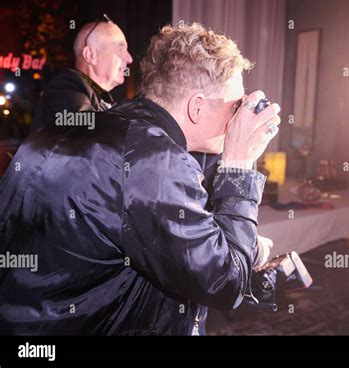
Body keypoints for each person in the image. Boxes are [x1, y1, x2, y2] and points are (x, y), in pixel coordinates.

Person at [0, 23, 280, 335]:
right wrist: (239, 165)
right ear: (197, 106)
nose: (240, 117)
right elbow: (225, 283)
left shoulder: (96, 128)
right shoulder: (152, 158)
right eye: (235, 106)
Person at [30, 15, 133, 133]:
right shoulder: (64, 87)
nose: (129, 58)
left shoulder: (102, 99)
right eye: (120, 49)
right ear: (90, 55)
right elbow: (85, 134)